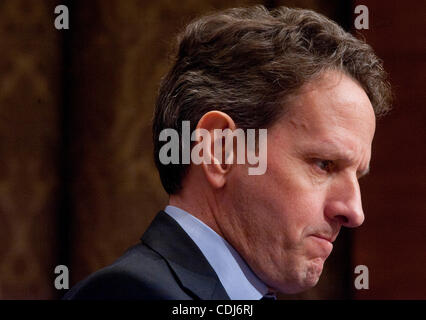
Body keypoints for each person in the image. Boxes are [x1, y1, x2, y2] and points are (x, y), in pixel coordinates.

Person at [64, 5, 391, 300]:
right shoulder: (128, 295)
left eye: (357, 175)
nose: (354, 211)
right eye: (324, 164)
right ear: (221, 151)